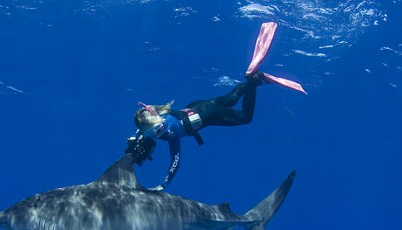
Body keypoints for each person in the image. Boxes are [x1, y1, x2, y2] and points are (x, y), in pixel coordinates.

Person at [125, 22, 306, 191]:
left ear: (158, 121)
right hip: (197, 106)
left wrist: (164, 184)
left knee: (245, 118)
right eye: (153, 131)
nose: (158, 132)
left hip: (208, 115)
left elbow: (175, 160)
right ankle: (253, 80)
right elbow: (143, 126)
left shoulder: (169, 131)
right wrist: (136, 137)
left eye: (157, 128)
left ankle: (253, 80)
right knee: (230, 98)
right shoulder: (155, 114)